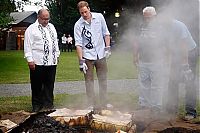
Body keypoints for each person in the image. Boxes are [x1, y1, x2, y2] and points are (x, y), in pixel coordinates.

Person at [74, 1, 111, 109]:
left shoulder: (99, 17)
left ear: (89, 9)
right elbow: (78, 44)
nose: (84, 15)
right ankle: (91, 103)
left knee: (103, 79)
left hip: (101, 54)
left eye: (85, 12)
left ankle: (104, 102)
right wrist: (81, 61)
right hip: (88, 57)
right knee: (89, 81)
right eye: (82, 13)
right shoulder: (78, 25)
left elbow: (106, 33)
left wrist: (107, 47)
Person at [24, 8, 60, 112]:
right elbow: (27, 45)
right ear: (38, 17)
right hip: (38, 61)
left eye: (48, 19)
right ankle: (36, 106)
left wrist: (57, 54)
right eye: (44, 19)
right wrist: (30, 60)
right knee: (36, 85)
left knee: (49, 84)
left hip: (51, 61)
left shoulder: (52, 27)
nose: (46, 21)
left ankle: (48, 105)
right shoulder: (31, 29)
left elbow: (55, 42)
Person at [133, 6, 169, 112]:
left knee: (157, 85)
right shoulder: (141, 26)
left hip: (157, 60)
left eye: (150, 18)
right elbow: (136, 42)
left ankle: (156, 106)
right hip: (143, 60)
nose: (147, 20)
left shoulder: (161, 28)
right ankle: (143, 104)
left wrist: (166, 58)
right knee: (144, 84)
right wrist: (135, 56)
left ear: (155, 16)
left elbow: (166, 44)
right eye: (146, 18)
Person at [164, 18, 197, 120]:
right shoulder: (162, 28)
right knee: (172, 81)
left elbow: (184, 46)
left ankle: (191, 112)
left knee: (189, 82)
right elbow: (167, 47)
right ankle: (172, 110)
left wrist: (186, 65)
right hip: (176, 54)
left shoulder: (179, 26)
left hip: (189, 53)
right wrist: (168, 63)